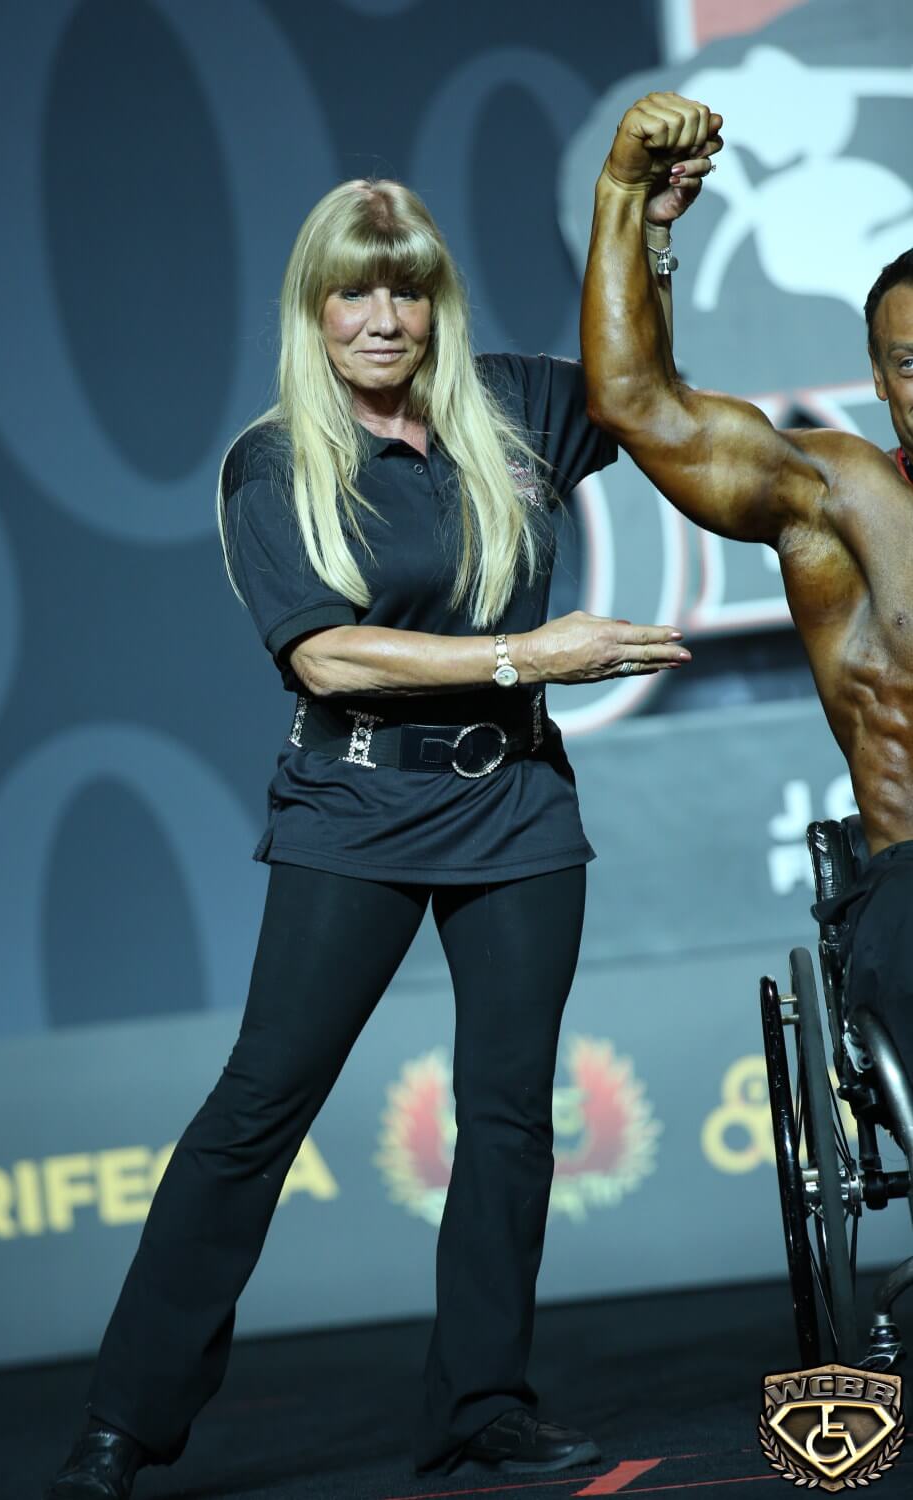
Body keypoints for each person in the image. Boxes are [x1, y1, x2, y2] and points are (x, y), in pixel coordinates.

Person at [44, 161, 710, 1499]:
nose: (384, 318)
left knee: (509, 1113)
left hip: (514, 803)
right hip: (355, 803)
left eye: (406, 290)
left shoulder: (509, 408)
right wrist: (528, 655)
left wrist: (642, 236)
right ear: (315, 308)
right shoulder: (276, 460)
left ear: (438, 302)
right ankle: (122, 1424)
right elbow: (329, 657)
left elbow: (637, 386)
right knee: (258, 1106)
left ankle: (481, 1407)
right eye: (354, 293)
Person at [581, 92, 913, 1079]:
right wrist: (626, 200)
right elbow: (636, 403)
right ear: (878, 379)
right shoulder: (844, 498)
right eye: (911, 362)